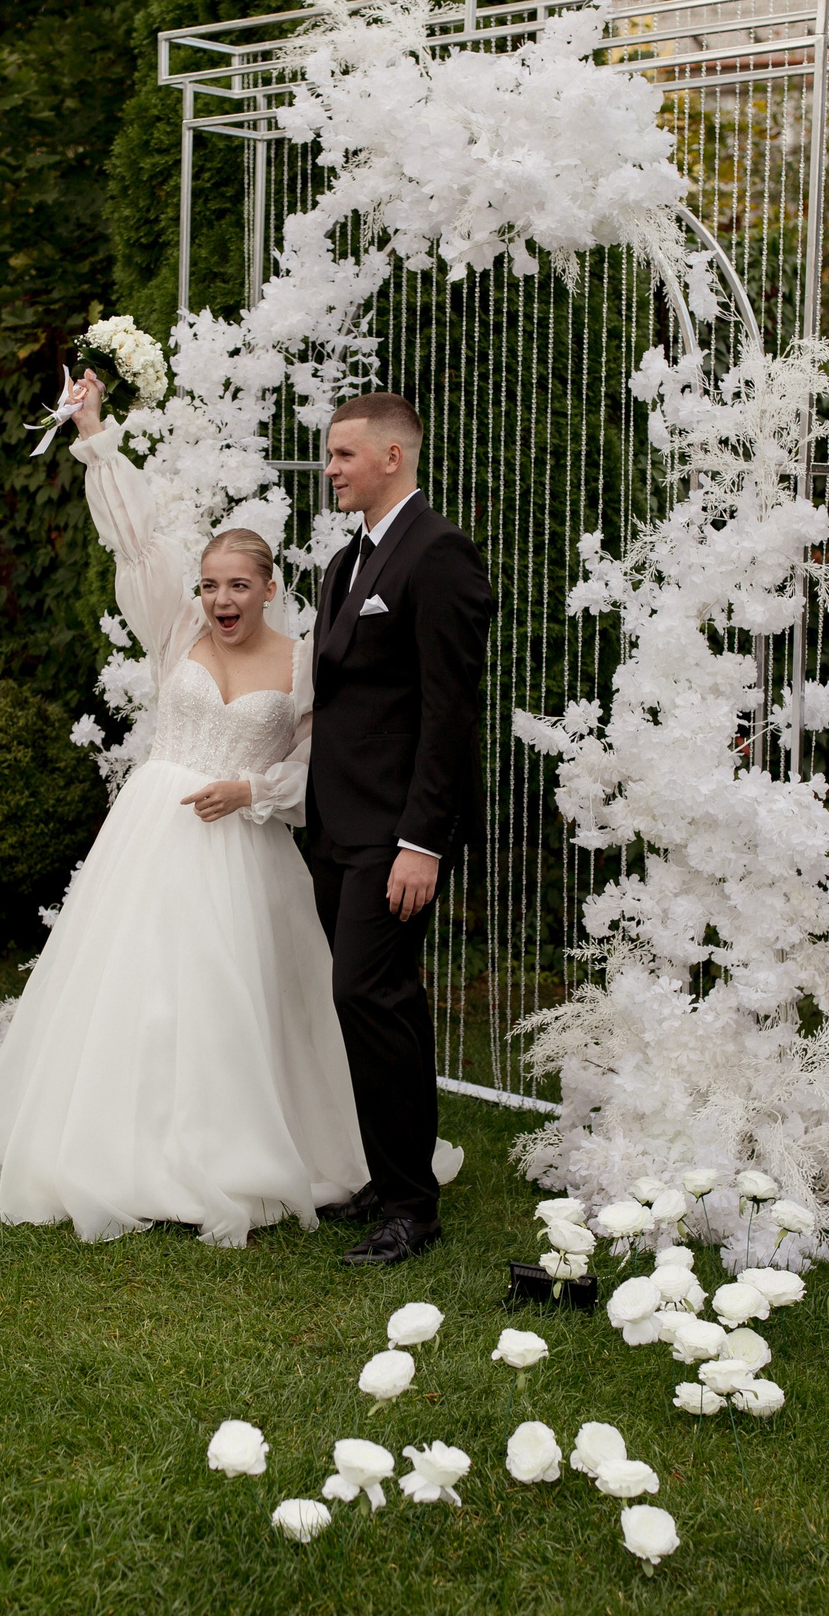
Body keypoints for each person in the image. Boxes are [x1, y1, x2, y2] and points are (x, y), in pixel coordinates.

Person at [0, 372, 369, 1247]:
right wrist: (94, 432)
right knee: (133, 991)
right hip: (150, 834)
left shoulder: (300, 663)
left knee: (232, 1000)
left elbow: (314, 765)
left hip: (243, 847)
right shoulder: (174, 629)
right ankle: (122, 1144)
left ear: (269, 589)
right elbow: (136, 540)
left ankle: (234, 1146)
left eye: (238, 587)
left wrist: (252, 791)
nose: (221, 600)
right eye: (211, 584)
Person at [306, 393, 494, 1267]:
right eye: (329, 454)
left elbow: (448, 713)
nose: (332, 468)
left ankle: (411, 1211)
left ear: (392, 455)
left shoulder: (439, 553)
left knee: (366, 995)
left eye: (344, 454)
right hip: (336, 827)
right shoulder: (346, 564)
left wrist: (423, 840)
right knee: (386, 1007)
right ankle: (394, 1180)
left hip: (395, 835)